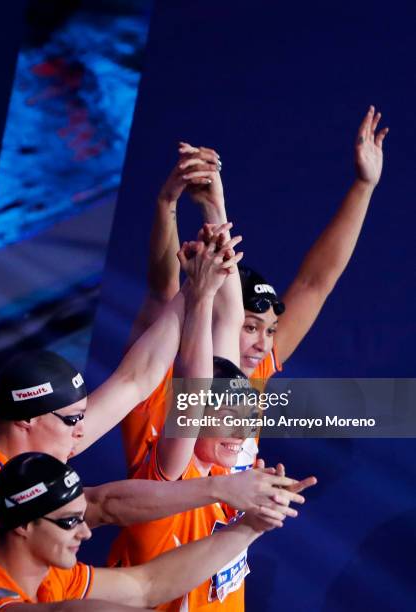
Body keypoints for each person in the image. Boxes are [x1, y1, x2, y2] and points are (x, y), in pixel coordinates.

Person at [0, 235, 299, 588]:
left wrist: (195, 286)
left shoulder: (29, 450)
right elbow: (103, 505)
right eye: (72, 419)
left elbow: (135, 380)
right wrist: (222, 488)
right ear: (27, 420)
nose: (81, 429)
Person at [121, 105, 389, 473]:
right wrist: (168, 203)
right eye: (249, 327)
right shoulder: (161, 372)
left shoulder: (253, 375)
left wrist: (364, 186)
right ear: (221, 319)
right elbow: (161, 289)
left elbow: (315, 284)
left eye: (270, 331)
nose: (264, 345)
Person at [0, 452, 305, 612]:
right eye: (68, 522)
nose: (85, 534)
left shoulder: (60, 578)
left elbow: (146, 587)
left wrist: (250, 528)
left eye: (82, 517)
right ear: (24, 525)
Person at [109, 357, 317, 611]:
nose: (242, 433)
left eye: (249, 418)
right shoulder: (170, 477)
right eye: (229, 417)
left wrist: (256, 519)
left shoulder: (225, 474)